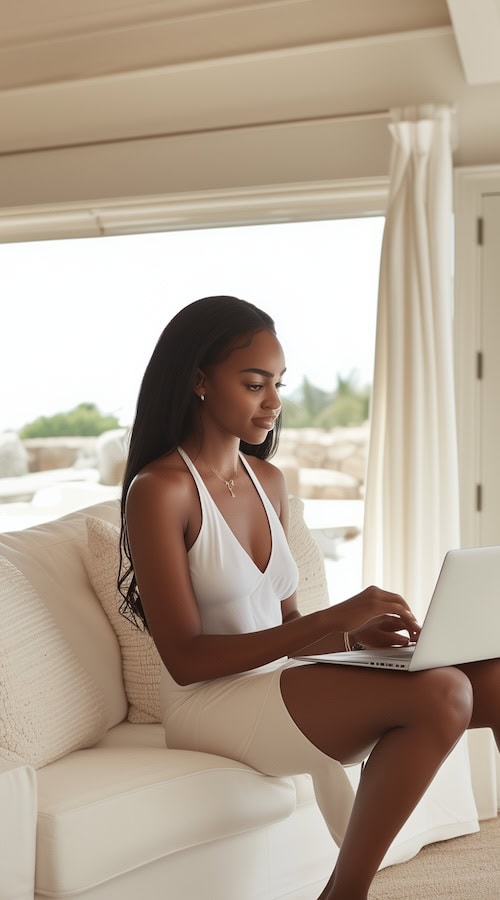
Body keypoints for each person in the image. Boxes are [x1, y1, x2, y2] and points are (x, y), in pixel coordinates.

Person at [118, 295, 500, 900]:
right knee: (443, 690)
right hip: (206, 704)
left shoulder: (268, 480)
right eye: (253, 384)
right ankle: (344, 894)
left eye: (278, 383)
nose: (273, 401)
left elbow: (287, 621)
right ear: (197, 380)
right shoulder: (159, 490)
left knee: (494, 675)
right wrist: (335, 618)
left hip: (280, 680)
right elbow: (185, 660)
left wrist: (354, 636)